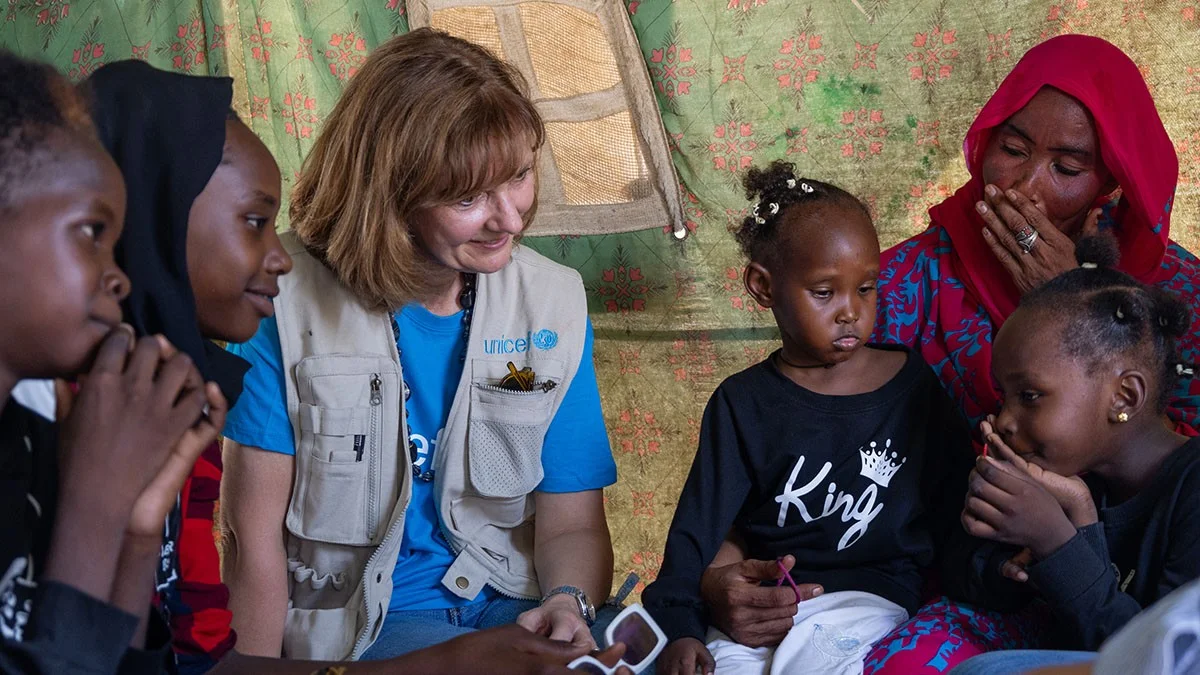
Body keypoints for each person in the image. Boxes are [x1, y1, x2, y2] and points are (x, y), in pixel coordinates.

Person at [697, 34, 1200, 672]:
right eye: (1011, 149)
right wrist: (719, 575)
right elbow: (785, 446)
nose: (1026, 186)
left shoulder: (1176, 295)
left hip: (1128, 597)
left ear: (1111, 182)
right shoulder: (892, 285)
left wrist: (1071, 301)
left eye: (1067, 169)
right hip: (933, 583)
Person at [219, 27, 619, 662]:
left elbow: (570, 522)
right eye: (467, 197)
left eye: (517, 177)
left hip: (514, 605)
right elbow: (252, 539)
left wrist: (570, 602)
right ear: (390, 195)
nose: (511, 220)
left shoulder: (554, 301)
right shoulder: (284, 297)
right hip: (366, 631)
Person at [642, 161, 971, 675]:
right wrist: (681, 628)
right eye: (825, 292)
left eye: (866, 288)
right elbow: (695, 534)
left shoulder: (914, 390)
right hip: (761, 609)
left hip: (867, 606)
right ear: (763, 286)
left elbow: (958, 509)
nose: (851, 312)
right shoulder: (742, 403)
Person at [0, 49, 225, 674]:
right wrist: (93, 505)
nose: (120, 279)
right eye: (92, 233)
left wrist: (134, 524)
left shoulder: (27, 442)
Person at [940, 235, 1200, 672]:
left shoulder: (1191, 491)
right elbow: (963, 580)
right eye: (1004, 397)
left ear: (1124, 397)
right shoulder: (1057, 466)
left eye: (1029, 395)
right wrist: (1003, 558)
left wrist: (1056, 540)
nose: (1004, 419)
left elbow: (1155, 660)